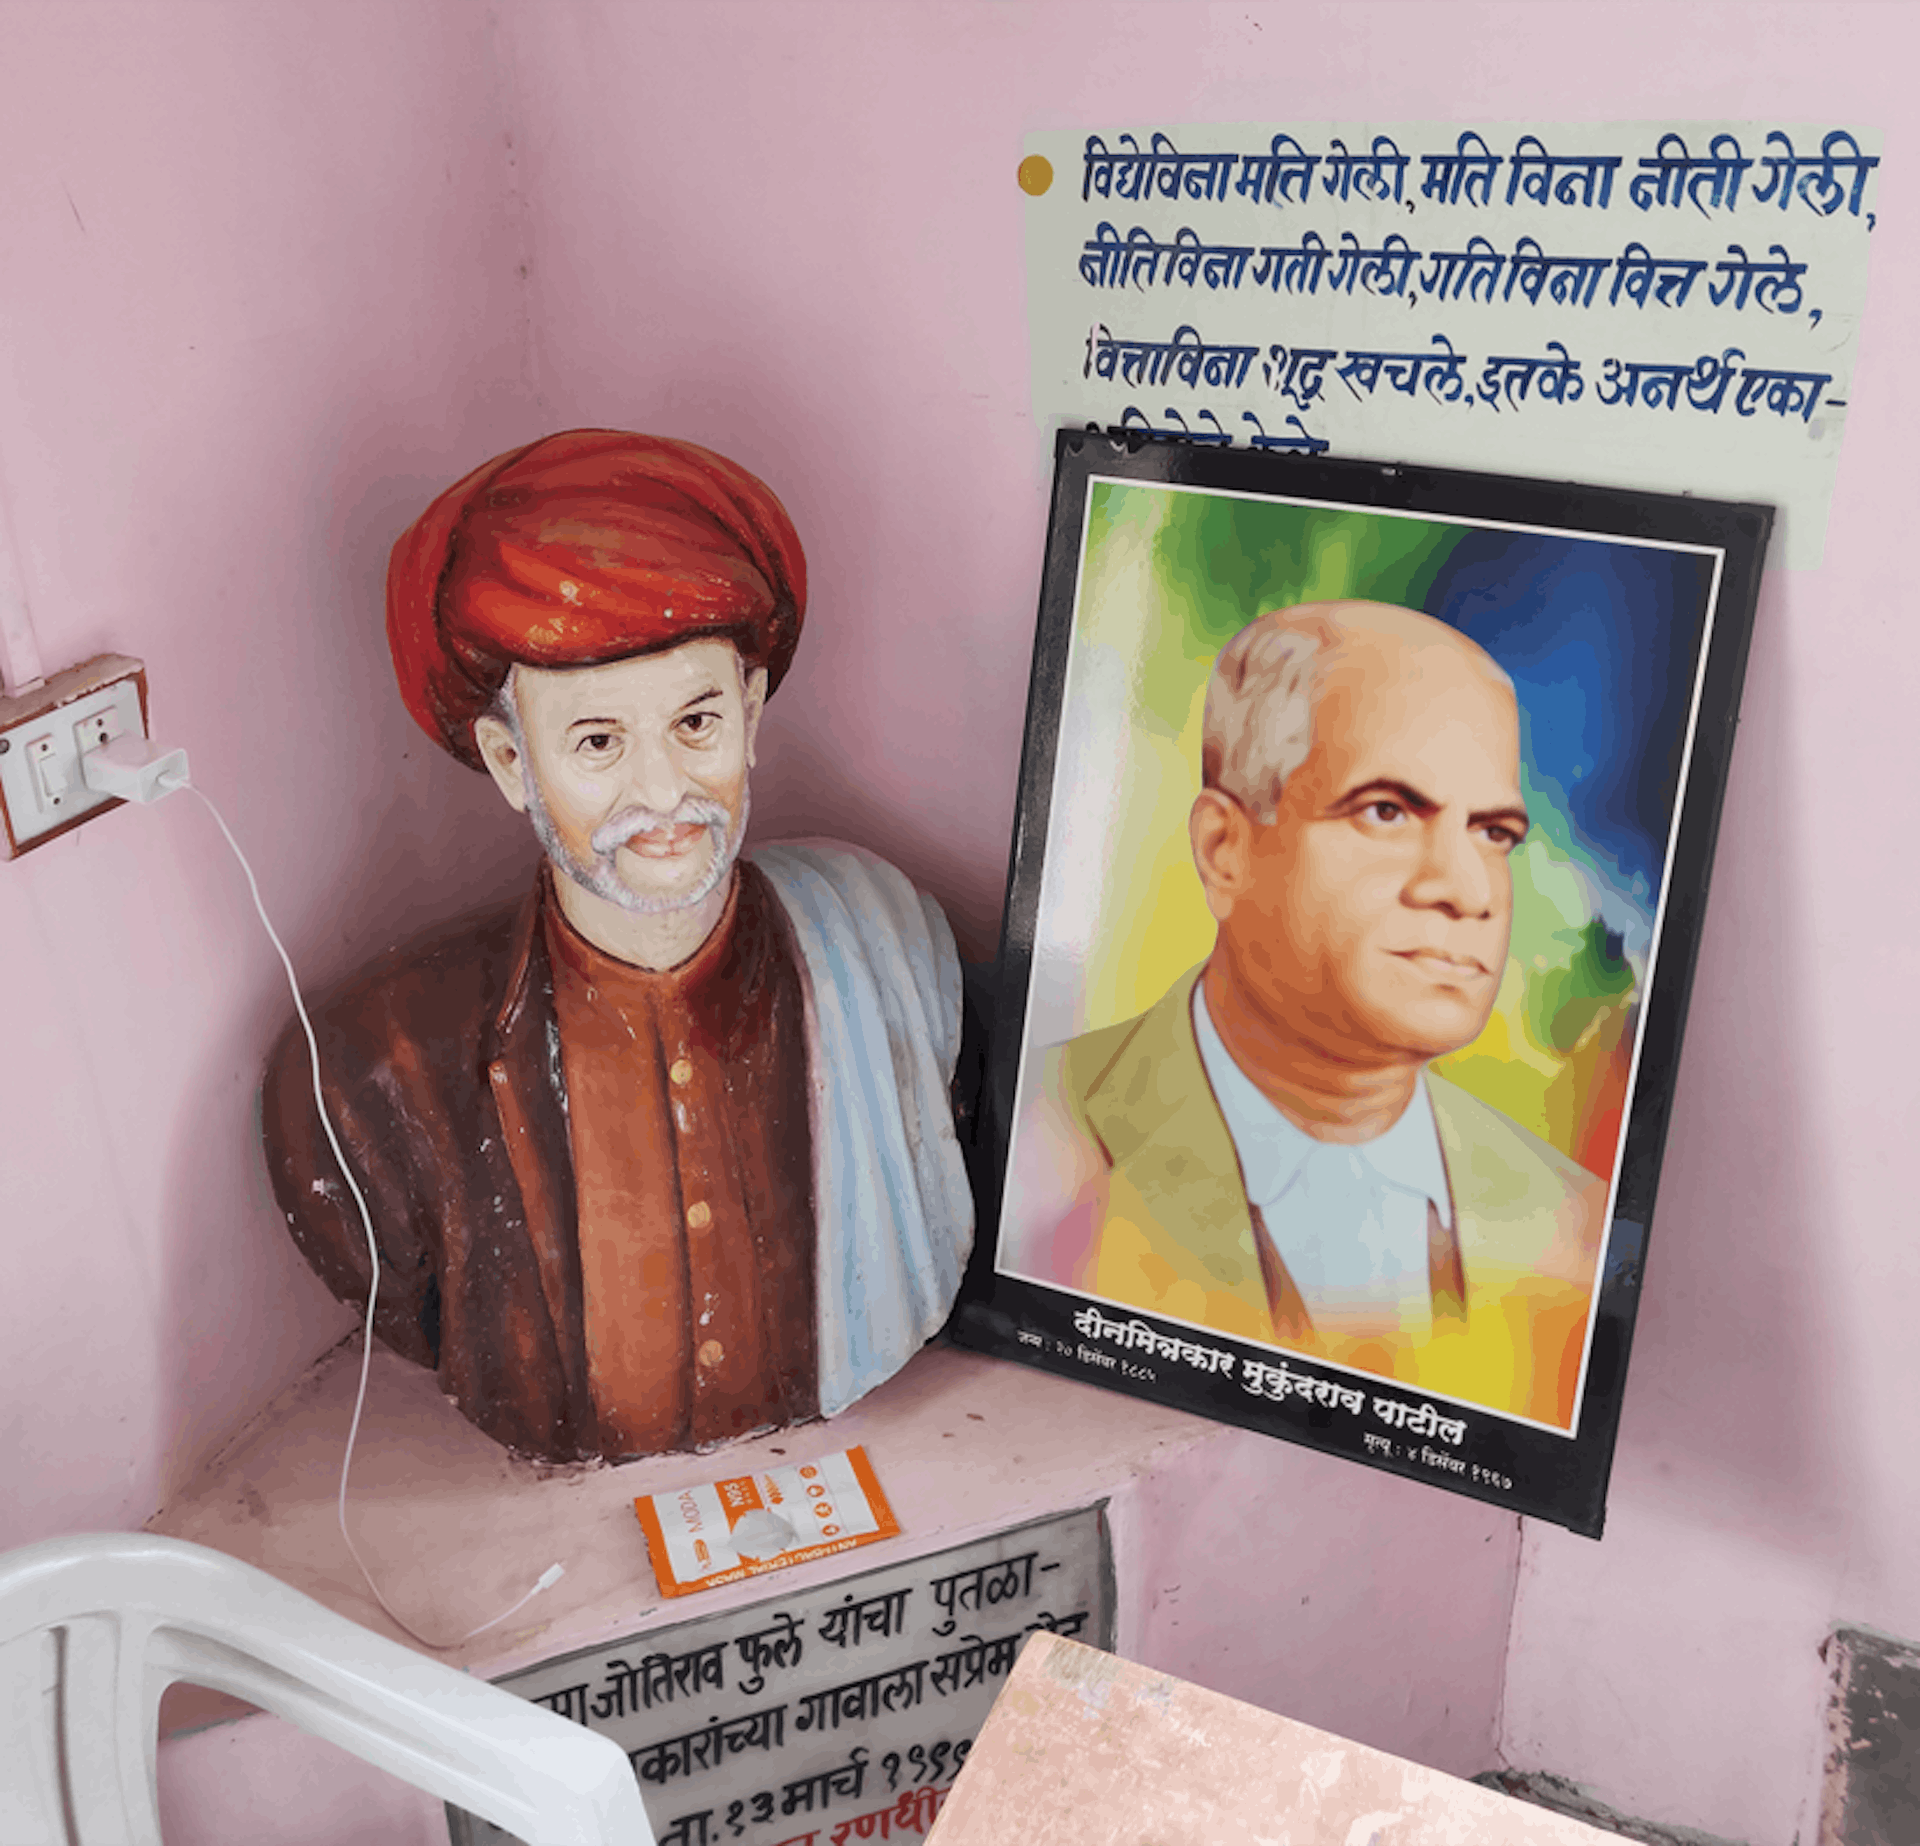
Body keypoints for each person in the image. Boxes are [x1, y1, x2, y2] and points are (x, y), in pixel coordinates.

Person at [262, 430, 973, 1463]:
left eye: (696, 723)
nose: (662, 794)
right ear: (511, 760)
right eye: (597, 742)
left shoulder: (884, 941)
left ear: (752, 711)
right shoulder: (368, 1083)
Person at [1004, 600, 1605, 1428]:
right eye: (1386, 811)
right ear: (1226, 849)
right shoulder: (1036, 1137)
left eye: (1494, 832)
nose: (1465, 890)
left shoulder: (1573, 1222)